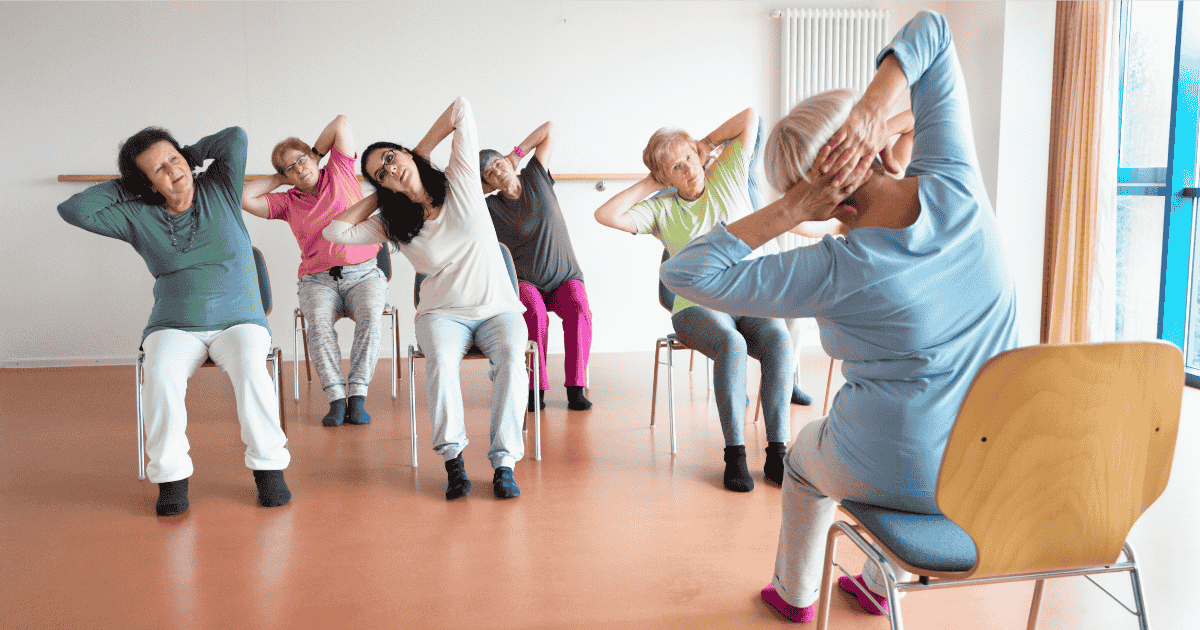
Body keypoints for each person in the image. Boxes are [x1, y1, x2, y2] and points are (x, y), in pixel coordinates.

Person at [659, 11, 1019, 622]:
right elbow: (933, 30)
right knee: (914, 426)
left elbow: (685, 274)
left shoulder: (832, 268)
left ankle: (795, 595)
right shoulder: (956, 184)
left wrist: (791, 209)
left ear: (821, 199)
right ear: (873, 143)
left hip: (903, 466)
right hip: (995, 458)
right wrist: (875, 106)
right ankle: (879, 584)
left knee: (804, 460)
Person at [58, 126, 292, 517]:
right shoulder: (137, 216)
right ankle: (171, 479)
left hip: (240, 321)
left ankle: (269, 470)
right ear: (147, 183)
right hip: (174, 325)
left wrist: (190, 153)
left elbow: (234, 138)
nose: (172, 170)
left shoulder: (219, 187)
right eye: (158, 169)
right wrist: (127, 185)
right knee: (160, 375)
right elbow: (73, 210)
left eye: (173, 158)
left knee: (252, 370)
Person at [323, 97, 527, 501]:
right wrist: (381, 194)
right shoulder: (391, 223)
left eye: (390, 158)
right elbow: (335, 232)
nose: (390, 169)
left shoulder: (460, 178)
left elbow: (461, 108)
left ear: (403, 151)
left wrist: (418, 153)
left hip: (498, 309)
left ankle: (504, 464)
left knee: (511, 359)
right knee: (442, 363)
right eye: (380, 174)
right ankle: (454, 462)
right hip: (442, 314)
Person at [594, 108, 795, 493]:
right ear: (664, 177)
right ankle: (735, 454)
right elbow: (606, 214)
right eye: (676, 167)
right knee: (731, 344)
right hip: (695, 307)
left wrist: (705, 143)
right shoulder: (661, 208)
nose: (688, 169)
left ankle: (777, 453)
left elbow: (750, 116)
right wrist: (650, 183)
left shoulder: (728, 175)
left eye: (689, 158)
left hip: (747, 298)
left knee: (779, 340)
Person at [241, 115, 387, 428]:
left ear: (312, 156)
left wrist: (317, 156)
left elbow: (341, 124)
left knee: (372, 318)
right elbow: (244, 198)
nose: (299, 169)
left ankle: (357, 395)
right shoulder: (286, 202)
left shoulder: (339, 171)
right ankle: (336, 398)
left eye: (301, 160)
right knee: (318, 326)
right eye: (290, 168)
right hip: (317, 281)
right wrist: (280, 178)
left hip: (364, 274)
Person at [479, 121, 593, 412]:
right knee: (534, 314)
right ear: (487, 183)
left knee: (579, 308)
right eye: (489, 173)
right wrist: (484, 185)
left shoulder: (535, 176)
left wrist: (515, 155)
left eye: (497, 164)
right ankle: (534, 389)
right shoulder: (490, 207)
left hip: (565, 276)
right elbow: (461, 197)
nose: (497, 171)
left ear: (508, 162)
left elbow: (549, 129)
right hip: (527, 282)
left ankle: (576, 388)